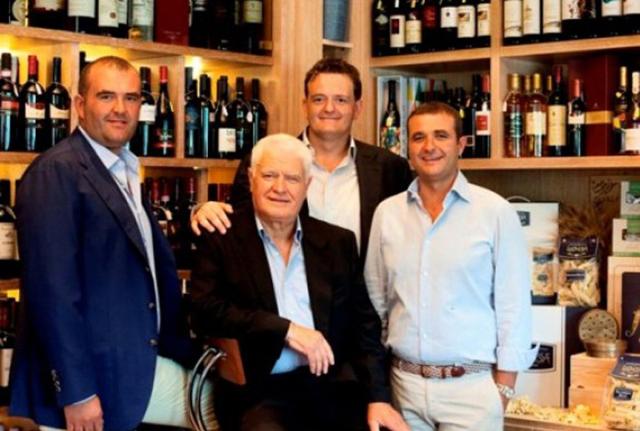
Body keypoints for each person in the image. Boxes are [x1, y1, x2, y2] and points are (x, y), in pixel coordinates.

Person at [10, 56, 214, 431]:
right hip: (92, 378)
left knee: (223, 402)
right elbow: (51, 293)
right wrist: (76, 393)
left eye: (131, 98)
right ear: (80, 104)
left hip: (132, 363)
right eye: (106, 96)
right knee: (216, 406)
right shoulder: (57, 171)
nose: (120, 109)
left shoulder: (124, 169)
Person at [190, 134, 408, 431]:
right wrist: (286, 330)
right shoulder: (222, 237)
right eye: (269, 175)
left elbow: (364, 326)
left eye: (292, 178)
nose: (280, 188)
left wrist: (378, 398)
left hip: (332, 388)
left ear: (307, 185)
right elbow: (203, 311)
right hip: (258, 393)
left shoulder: (337, 242)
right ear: (252, 179)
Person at [364, 102, 537, 430]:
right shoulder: (387, 214)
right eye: (419, 138)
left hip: (471, 390)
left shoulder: (495, 212)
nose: (429, 147)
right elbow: (376, 301)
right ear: (408, 147)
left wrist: (503, 390)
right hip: (403, 388)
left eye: (441, 136)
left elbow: (514, 307)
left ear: (461, 144)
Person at [191, 58, 413, 263]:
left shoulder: (390, 168)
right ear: (305, 105)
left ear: (357, 108)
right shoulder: (263, 161)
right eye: (319, 99)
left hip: (361, 293)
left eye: (341, 100)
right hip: (283, 291)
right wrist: (203, 211)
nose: (329, 108)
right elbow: (238, 227)